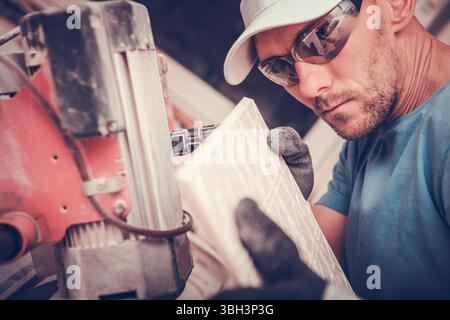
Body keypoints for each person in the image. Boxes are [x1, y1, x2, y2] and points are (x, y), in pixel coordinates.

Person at [219, 0, 450, 299]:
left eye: (322, 37)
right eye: (281, 68)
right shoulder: (374, 127)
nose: (308, 87)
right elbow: (313, 259)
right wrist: (282, 202)